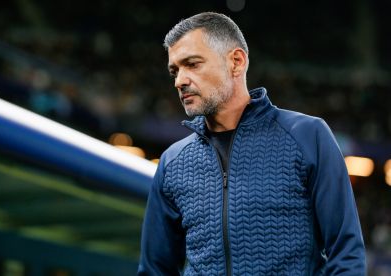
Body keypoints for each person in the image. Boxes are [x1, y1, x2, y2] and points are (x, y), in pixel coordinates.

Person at [138, 12, 366, 275]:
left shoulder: (307, 136)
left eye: (192, 64)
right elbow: (155, 269)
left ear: (236, 61)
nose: (179, 81)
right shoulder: (172, 162)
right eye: (174, 70)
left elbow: (346, 254)